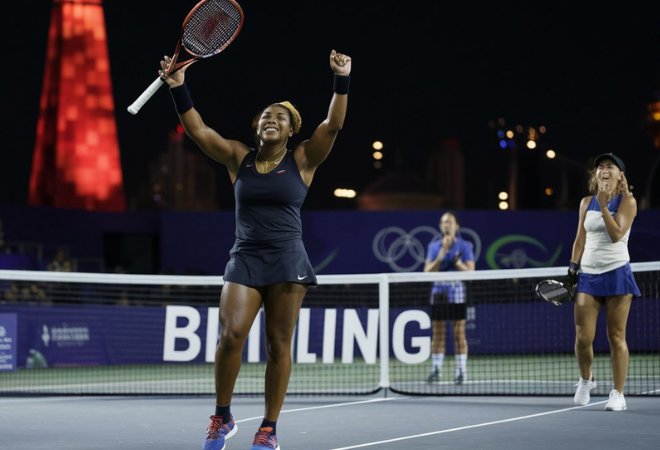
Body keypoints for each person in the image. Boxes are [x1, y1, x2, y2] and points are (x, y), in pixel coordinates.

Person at [157, 49, 351, 450]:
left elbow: (332, 125)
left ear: (291, 129)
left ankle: (268, 429)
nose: (271, 119)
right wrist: (179, 89)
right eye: (266, 115)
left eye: (280, 116)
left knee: (278, 345)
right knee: (230, 336)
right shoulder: (237, 157)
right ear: (256, 125)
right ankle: (222, 417)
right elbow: (199, 131)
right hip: (244, 258)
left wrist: (341, 79)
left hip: (287, 260)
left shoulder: (303, 159)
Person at [569, 152, 641, 411]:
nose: (604, 170)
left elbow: (616, 235)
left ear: (620, 175)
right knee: (582, 338)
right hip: (588, 276)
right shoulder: (585, 202)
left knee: (616, 336)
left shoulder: (628, 201)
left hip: (617, 273)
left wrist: (602, 206)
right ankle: (586, 380)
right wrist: (572, 270)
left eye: (610, 166)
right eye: (600, 167)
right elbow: (580, 240)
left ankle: (618, 394)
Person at [424, 212, 475, 385]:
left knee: (459, 334)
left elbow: (471, 272)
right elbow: (427, 272)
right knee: (437, 334)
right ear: (440, 226)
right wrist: (442, 254)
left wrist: (458, 264)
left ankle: (461, 371)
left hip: (457, 293)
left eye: (450, 222)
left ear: (456, 226)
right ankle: (436, 370)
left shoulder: (465, 245)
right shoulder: (434, 246)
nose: (447, 225)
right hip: (438, 293)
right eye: (444, 222)